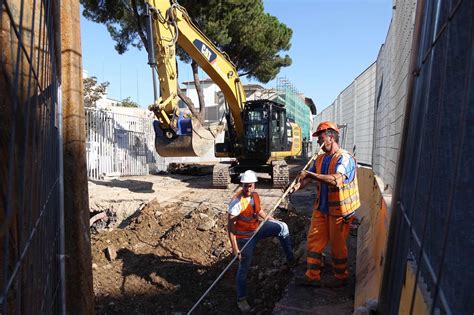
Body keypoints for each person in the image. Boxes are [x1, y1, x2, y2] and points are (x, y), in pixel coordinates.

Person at [290, 121, 360, 288]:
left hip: (339, 212)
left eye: (320, 139)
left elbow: (336, 180)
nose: (319, 143)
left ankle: (340, 276)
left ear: (331, 137)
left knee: (337, 246)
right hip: (322, 209)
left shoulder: (345, 159)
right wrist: (297, 186)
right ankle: (312, 276)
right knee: (314, 241)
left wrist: (311, 175)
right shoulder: (320, 159)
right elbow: (307, 178)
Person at [227, 170, 295, 312]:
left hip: (257, 230)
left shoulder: (255, 196)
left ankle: (291, 259)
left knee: (283, 227)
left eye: (250, 185)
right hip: (244, 238)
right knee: (244, 267)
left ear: (254, 185)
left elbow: (259, 212)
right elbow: (230, 228)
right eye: (245, 186)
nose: (247, 188)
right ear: (242, 185)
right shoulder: (236, 203)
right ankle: (241, 299)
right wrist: (235, 248)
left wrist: (271, 220)